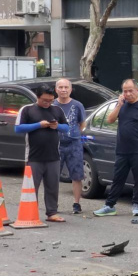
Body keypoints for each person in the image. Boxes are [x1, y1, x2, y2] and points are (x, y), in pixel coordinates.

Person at [94, 79, 138, 219]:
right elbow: (110, 120)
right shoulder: (122, 105)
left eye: (130, 90)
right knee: (118, 178)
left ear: (137, 90)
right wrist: (119, 105)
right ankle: (110, 205)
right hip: (122, 149)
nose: (128, 94)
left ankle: (137, 205)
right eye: (125, 91)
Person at [13, 85, 69, 222]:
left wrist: (57, 126)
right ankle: (31, 212)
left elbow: (66, 127)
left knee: (53, 186)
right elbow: (18, 128)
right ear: (37, 97)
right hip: (34, 156)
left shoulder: (57, 109)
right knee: (32, 187)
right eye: (45, 100)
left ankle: (52, 212)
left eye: (50, 100)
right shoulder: (27, 110)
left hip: (53, 156)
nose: (48, 103)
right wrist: (39, 125)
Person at [54, 79, 87, 214]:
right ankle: (53, 203)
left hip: (74, 143)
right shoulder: (52, 105)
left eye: (66, 87)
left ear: (71, 89)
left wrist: (76, 134)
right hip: (56, 144)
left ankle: (76, 203)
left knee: (77, 174)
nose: (63, 90)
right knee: (54, 174)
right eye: (60, 87)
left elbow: (82, 123)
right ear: (56, 89)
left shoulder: (77, 105)